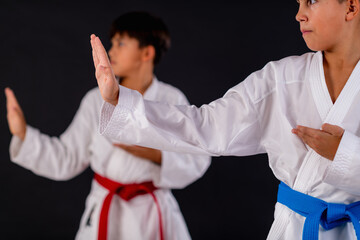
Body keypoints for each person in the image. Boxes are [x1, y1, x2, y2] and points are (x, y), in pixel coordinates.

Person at [90, 0, 360, 239]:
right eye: (298, 3)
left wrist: (346, 155)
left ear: (351, 6)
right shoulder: (280, 79)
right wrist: (120, 101)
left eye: (311, 1)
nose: (299, 15)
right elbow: (206, 127)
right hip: (295, 228)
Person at [6, 12, 211, 240]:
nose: (111, 50)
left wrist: (157, 155)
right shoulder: (95, 100)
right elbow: (67, 157)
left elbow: (199, 156)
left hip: (152, 215)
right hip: (105, 208)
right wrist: (23, 134)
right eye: (112, 42)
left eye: (121, 43)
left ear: (147, 52)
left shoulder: (171, 99)